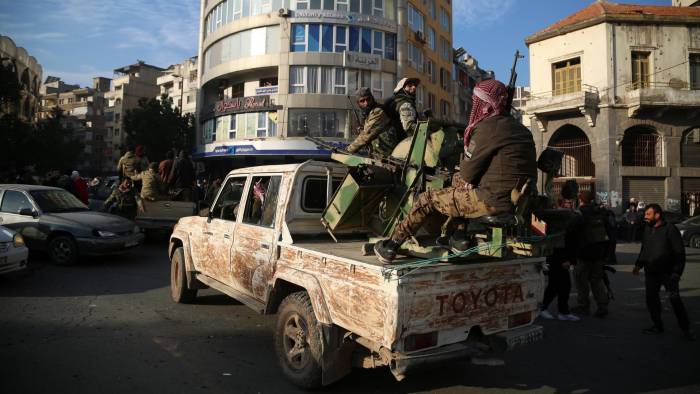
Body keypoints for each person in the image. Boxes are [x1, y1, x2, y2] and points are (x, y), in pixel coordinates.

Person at [374, 79, 537, 263]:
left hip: (492, 201)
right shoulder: (523, 130)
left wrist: (463, 172)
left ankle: (391, 246)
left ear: (484, 104)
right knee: (460, 184)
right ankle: (459, 238)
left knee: (427, 199)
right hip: (519, 201)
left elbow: (467, 173)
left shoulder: (488, 128)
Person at [633, 204, 695, 340]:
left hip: (668, 273)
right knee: (651, 300)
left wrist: (677, 272)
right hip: (651, 273)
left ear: (657, 215)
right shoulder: (647, 229)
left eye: (648, 214)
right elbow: (645, 249)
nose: (645, 217)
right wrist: (638, 264)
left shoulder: (670, 230)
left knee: (675, 300)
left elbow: (680, 253)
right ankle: (657, 325)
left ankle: (686, 330)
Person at [540, 198, 581, 322]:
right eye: (568, 202)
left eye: (571, 202)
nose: (570, 204)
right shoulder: (558, 216)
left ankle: (552, 309)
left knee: (557, 285)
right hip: (557, 255)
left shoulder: (566, 216)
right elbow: (561, 241)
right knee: (560, 285)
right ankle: (558, 310)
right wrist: (566, 259)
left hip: (560, 254)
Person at [572, 190, 611, 318]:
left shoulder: (579, 213)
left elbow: (573, 232)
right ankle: (602, 306)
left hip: (584, 252)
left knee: (581, 280)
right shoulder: (600, 212)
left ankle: (583, 305)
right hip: (599, 252)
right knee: (597, 280)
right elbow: (609, 232)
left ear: (580, 199)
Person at [346, 87, 399, 158]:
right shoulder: (369, 113)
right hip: (378, 154)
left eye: (368, 99)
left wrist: (348, 150)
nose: (366, 103)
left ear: (372, 98)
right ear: (358, 103)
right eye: (362, 101)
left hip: (386, 155)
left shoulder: (378, 111)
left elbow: (365, 136)